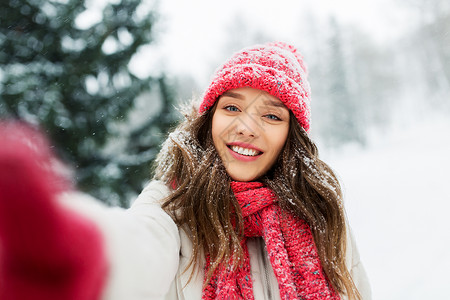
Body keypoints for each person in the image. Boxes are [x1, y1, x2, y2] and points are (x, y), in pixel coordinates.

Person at [0, 42, 371, 299]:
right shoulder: (174, 203)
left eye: (272, 115)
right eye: (231, 107)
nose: (246, 126)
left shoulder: (318, 211)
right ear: (208, 118)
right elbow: (137, 248)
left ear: (291, 135)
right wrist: (80, 253)